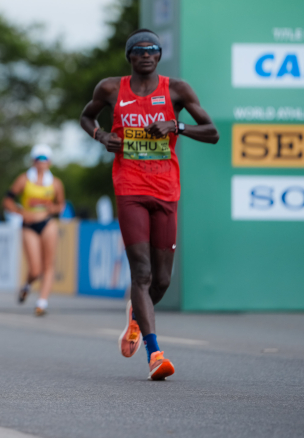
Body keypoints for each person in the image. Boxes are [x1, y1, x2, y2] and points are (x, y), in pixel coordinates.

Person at [79, 28, 218, 381]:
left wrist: (177, 126)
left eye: (153, 50)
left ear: (159, 55)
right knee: (141, 273)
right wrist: (101, 135)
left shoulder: (177, 90)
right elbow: (86, 116)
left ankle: (136, 316)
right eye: (139, 50)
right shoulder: (111, 88)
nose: (146, 54)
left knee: (162, 280)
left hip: (166, 188)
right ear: (130, 56)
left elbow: (212, 132)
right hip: (130, 187)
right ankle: (155, 353)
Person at [3, 144, 66, 317]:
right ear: (33, 161)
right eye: (39, 159)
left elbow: (61, 205)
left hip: (47, 223)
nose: (42, 163)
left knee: (49, 264)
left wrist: (50, 208)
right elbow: (7, 201)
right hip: (28, 225)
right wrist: (20, 212)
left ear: (50, 162)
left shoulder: (55, 183)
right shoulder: (24, 179)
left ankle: (42, 303)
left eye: (45, 159)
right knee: (35, 269)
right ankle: (27, 286)